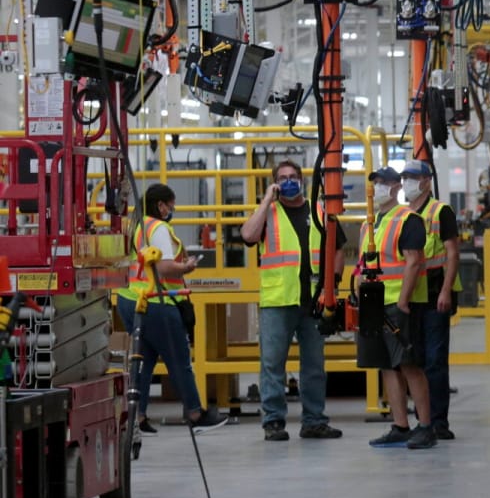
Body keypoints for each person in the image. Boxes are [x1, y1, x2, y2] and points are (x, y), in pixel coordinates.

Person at [239, 160, 347, 441]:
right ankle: (273, 422)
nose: (288, 181)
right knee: (272, 364)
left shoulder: (319, 210)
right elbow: (248, 235)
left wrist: (332, 285)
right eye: (282, 178)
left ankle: (314, 421)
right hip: (278, 301)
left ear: (301, 181)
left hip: (314, 301)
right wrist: (266, 199)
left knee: (314, 366)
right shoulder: (268, 213)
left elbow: (338, 248)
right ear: (275, 183)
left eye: (292, 177)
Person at [115, 184, 229, 433]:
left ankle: (138, 416)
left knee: (143, 360)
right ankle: (196, 415)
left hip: (128, 299)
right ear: (161, 205)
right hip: (155, 302)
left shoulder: (136, 224)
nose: (172, 209)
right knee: (179, 359)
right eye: (171, 205)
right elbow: (164, 268)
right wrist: (186, 267)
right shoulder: (158, 228)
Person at [368, 168, 437, 449]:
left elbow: (413, 261)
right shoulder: (370, 223)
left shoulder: (408, 219)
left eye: (383, 183)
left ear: (396, 187)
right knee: (387, 367)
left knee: (409, 366)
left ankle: (425, 426)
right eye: (374, 183)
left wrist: (403, 301)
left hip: (399, 304)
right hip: (375, 304)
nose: (377, 188)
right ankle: (400, 425)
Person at [403, 159, 460, 440]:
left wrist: (446, 290)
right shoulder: (404, 214)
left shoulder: (441, 212)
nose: (406, 182)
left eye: (412, 177)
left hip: (436, 291)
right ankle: (422, 419)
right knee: (417, 358)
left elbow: (452, 253)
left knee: (435, 360)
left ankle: (438, 422)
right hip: (413, 294)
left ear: (426, 181)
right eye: (404, 177)